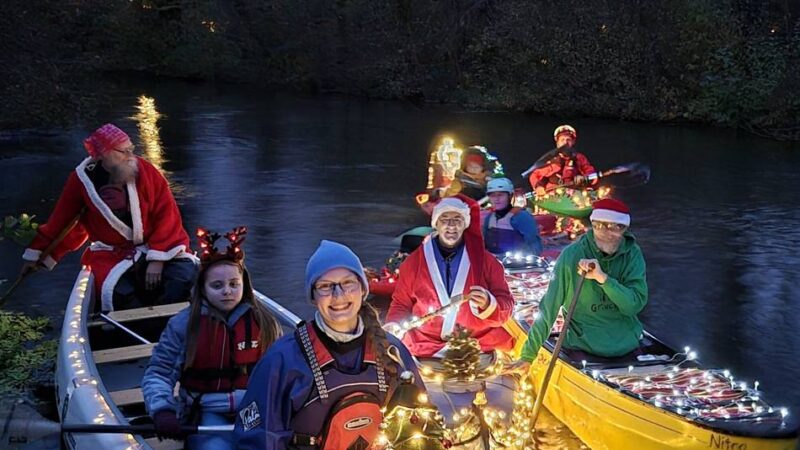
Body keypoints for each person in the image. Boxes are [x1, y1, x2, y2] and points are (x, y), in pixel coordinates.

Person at [234, 240, 424, 449]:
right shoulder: (282, 360)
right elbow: (258, 440)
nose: (339, 295)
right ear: (313, 296)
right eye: (325, 286)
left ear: (363, 289)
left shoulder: (393, 352)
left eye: (347, 283)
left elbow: (421, 427)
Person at [20, 123, 197, 311]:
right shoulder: (82, 180)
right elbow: (63, 221)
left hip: (156, 247)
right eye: (124, 151)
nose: (130, 156)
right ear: (104, 153)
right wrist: (38, 255)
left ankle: (173, 325)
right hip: (112, 255)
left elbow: (167, 215)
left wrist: (158, 258)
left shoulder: (146, 171)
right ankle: (135, 331)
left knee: (184, 276)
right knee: (117, 294)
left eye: (131, 149)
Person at [142, 226, 281, 449]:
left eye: (234, 284)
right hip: (206, 413)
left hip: (254, 411)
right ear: (203, 289)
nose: (227, 291)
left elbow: (282, 374)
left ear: (244, 285)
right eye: (217, 285)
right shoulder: (184, 325)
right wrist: (163, 410)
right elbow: (159, 373)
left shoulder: (265, 323)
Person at [518, 198, 647, 365]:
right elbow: (550, 307)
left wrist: (603, 279)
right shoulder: (571, 255)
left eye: (615, 227)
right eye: (600, 225)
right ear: (593, 225)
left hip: (625, 345)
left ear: (624, 229)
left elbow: (633, 306)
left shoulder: (633, 254)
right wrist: (528, 356)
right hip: (582, 347)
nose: (607, 233)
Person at [386, 194, 515, 357]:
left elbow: (507, 303)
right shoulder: (413, 263)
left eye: (457, 219)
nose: (451, 225)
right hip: (425, 345)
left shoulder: (488, 262)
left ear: (465, 224)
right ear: (436, 224)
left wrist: (489, 303)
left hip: (477, 344)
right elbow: (401, 304)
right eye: (444, 219)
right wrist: (393, 324)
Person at [528, 125, 598, 196]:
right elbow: (535, 175)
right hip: (551, 196)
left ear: (573, 142)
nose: (565, 142)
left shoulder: (579, 157)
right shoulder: (549, 159)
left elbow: (592, 174)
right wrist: (538, 187)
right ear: (557, 143)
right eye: (562, 140)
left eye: (568, 140)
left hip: (575, 196)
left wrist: (585, 178)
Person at [481, 177, 543, 256]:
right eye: (493, 196)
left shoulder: (522, 217)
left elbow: (534, 244)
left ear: (510, 196)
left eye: (500, 195)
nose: (497, 199)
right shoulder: (490, 218)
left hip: (517, 264)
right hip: (494, 262)